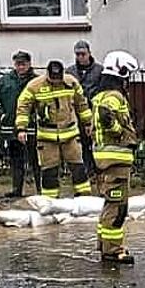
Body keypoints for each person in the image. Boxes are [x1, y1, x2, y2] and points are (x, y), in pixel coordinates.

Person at [16, 59, 94, 199]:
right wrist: (21, 128)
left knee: (78, 168)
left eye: (58, 78)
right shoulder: (35, 86)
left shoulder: (71, 83)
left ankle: (84, 198)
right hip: (47, 138)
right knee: (49, 171)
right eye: (53, 78)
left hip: (70, 135)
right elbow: (23, 106)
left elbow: (82, 104)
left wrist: (88, 123)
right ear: (47, 74)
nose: (56, 81)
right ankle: (50, 201)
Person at [90, 50, 141, 265]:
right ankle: (113, 251)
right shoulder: (113, 96)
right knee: (117, 207)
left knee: (110, 203)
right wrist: (120, 130)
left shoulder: (102, 94)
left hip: (106, 159)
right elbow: (104, 114)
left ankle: (105, 245)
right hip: (115, 160)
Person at [0, 51, 39, 197]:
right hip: (10, 126)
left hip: (32, 127)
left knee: (36, 160)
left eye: (23, 64)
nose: (20, 67)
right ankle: (17, 189)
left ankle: (40, 190)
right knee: (16, 160)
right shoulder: (5, 80)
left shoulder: (37, 81)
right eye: (18, 64)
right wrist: (2, 114)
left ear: (29, 64)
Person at [67, 41, 100, 168]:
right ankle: (85, 168)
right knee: (80, 142)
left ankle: (97, 168)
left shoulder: (99, 70)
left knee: (95, 141)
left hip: (93, 110)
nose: (80, 57)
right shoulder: (70, 71)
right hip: (76, 112)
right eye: (77, 54)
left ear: (89, 53)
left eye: (83, 54)